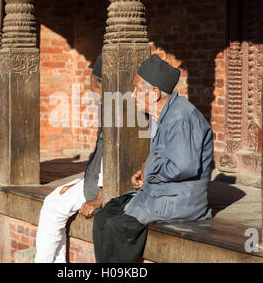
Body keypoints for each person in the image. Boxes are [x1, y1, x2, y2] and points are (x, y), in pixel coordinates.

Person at [92, 54, 214, 263]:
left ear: (155, 93)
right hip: (160, 191)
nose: (132, 94)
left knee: (119, 227)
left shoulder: (180, 117)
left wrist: (149, 169)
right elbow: (164, 158)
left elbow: (183, 166)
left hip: (180, 199)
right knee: (104, 215)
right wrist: (145, 171)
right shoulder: (161, 115)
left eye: (138, 89)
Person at [35, 54, 104, 263]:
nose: (92, 92)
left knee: (53, 206)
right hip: (97, 180)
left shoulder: (117, 109)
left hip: (106, 187)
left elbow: (111, 157)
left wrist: (100, 197)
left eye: (94, 87)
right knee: (55, 198)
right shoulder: (115, 106)